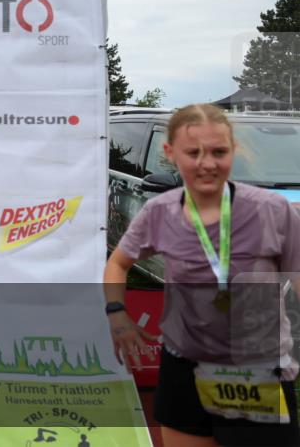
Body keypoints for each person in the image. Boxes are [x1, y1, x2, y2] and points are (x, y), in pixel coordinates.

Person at [104, 104, 300, 447]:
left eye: (218, 152)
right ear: (170, 153)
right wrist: (117, 314)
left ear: (233, 151)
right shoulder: (160, 211)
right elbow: (118, 262)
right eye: (193, 152)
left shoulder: (274, 210)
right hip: (183, 367)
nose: (207, 163)